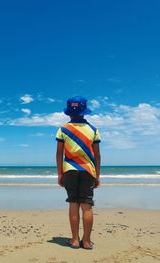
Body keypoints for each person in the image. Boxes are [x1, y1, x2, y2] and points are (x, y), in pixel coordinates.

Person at [55, 96, 101, 250]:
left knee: (73, 203)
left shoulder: (63, 129)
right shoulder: (93, 130)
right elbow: (97, 155)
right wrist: (97, 175)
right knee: (86, 205)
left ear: (69, 112)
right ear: (84, 111)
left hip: (69, 170)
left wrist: (60, 174)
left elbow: (59, 154)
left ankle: (75, 240)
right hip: (88, 171)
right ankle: (86, 241)